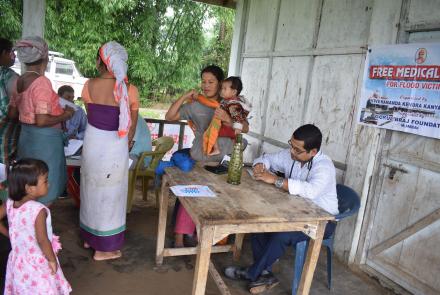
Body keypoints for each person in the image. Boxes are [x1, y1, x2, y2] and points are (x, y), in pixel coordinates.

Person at [224, 124, 339, 294]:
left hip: (321, 220)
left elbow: (311, 191)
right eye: (291, 145)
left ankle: (251, 273)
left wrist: (276, 180)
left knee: (281, 235)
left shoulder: (324, 166)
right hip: (294, 211)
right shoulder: (292, 154)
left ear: (313, 152)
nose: (292, 151)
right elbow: (267, 158)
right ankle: (264, 274)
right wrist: (260, 165)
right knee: (258, 224)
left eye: (297, 150)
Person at [165, 65, 250, 248]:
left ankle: (206, 239)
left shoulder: (230, 104)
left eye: (211, 81)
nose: (206, 85)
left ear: (220, 83)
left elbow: (245, 128)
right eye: (203, 81)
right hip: (201, 160)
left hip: (223, 161)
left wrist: (228, 119)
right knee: (191, 198)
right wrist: (184, 97)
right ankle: (180, 239)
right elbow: (170, 116)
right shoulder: (196, 105)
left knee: (217, 202)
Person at [80, 41, 139, 261]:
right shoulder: (129, 90)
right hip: (116, 146)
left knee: (91, 191)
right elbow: (130, 125)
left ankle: (90, 238)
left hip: (93, 143)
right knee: (111, 194)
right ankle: (104, 249)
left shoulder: (89, 85)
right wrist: (127, 144)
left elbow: (91, 114)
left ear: (100, 61)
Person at [9, 36, 75, 205]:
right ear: (44, 58)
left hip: (26, 139)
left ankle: (25, 223)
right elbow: (42, 120)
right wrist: (65, 115)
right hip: (44, 144)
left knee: (29, 185)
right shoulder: (41, 82)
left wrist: (27, 114)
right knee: (43, 186)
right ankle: (39, 226)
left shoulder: (18, 82)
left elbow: (12, 114)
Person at [0, 158, 72, 294]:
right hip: (37, 262)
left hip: (17, 261)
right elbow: (42, 240)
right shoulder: (38, 210)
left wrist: (10, 235)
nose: (48, 184)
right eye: (45, 181)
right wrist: (51, 260)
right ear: (29, 188)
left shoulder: (9, 203)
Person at [207, 76, 251, 156]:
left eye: (225, 89)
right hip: (233, 132)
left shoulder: (233, 104)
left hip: (229, 130)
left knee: (212, 132)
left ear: (234, 92)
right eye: (221, 88)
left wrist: (237, 128)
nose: (222, 91)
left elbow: (237, 116)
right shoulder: (228, 101)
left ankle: (216, 149)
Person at [0, 38, 20, 167]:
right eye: (11, 52)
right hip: (4, 144)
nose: (14, 56)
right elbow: (14, 113)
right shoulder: (9, 76)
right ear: (2, 53)